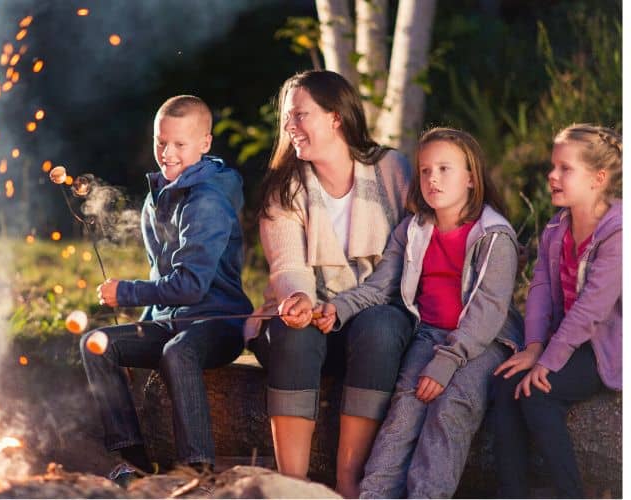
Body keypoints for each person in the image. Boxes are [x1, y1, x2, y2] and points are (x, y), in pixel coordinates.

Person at [301, 127, 524, 497]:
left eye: (444, 169)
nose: (432, 178)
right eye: (424, 170)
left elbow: (487, 311)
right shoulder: (414, 229)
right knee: (404, 411)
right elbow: (380, 286)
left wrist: (447, 363)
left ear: (471, 178)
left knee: (450, 408)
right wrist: (337, 308)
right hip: (430, 334)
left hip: (484, 343)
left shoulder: (494, 236)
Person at [245, 69, 414, 498]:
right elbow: (288, 265)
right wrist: (299, 299)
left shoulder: (392, 171)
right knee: (293, 331)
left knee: (383, 326)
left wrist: (345, 307)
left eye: (300, 115)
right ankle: (294, 485)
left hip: (368, 324)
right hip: (303, 325)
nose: (289, 127)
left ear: (336, 117)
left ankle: (349, 481)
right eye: (286, 118)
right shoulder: (282, 188)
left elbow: (405, 260)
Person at [80, 95, 253, 481]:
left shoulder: (208, 200)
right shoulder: (156, 196)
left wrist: (126, 292)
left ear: (205, 143)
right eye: (161, 142)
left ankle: (198, 471)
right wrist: (136, 333)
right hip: (171, 321)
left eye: (180, 144)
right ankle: (135, 463)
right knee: (97, 343)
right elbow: (161, 274)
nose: (167, 153)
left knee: (177, 353)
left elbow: (190, 286)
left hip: (217, 324)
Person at [492, 124, 622, 498]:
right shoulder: (556, 229)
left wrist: (546, 363)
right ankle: (510, 492)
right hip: (564, 342)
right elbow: (541, 290)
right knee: (504, 381)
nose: (552, 175)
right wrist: (533, 347)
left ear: (598, 179)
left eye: (565, 168)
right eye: (553, 166)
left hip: (605, 348)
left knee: (536, 391)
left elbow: (591, 310)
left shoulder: (618, 233)